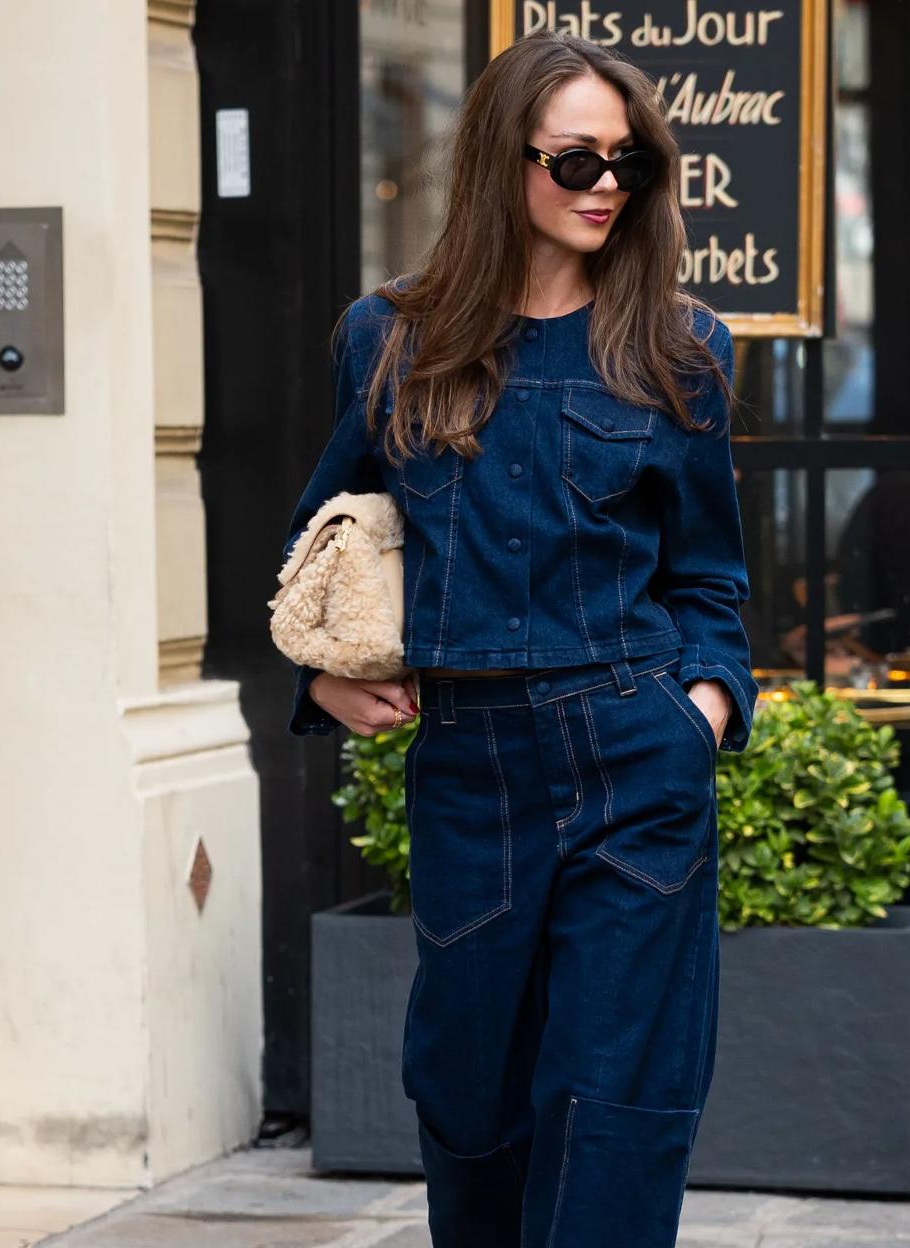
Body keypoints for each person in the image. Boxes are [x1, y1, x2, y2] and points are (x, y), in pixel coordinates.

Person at [279, 31, 757, 1248]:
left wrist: (699, 712)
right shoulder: (388, 338)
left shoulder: (681, 348)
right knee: (468, 1097)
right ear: (504, 160)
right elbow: (327, 542)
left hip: (633, 759)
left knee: (613, 1105)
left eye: (630, 162)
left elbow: (710, 578)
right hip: (471, 772)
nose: (607, 184)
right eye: (576, 159)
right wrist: (323, 676)